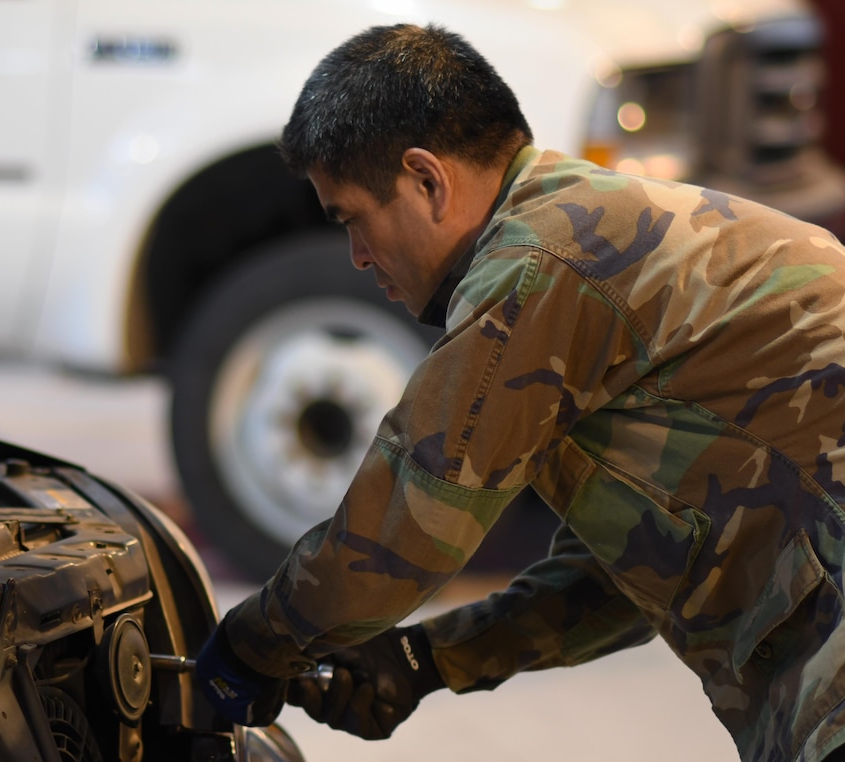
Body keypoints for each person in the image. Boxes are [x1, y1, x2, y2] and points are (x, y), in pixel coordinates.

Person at [193, 23, 845, 761]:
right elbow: (632, 566)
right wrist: (429, 660)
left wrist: (247, 646)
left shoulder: (537, 263)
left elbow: (404, 528)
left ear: (426, 180)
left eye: (354, 220)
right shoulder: (591, 236)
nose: (358, 258)